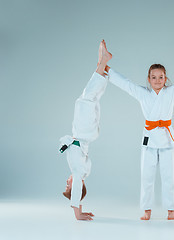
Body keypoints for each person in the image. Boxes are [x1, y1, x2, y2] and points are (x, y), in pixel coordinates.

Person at [101, 41, 174, 220]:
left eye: (161, 77)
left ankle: (171, 209)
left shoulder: (171, 92)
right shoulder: (143, 94)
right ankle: (147, 209)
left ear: (165, 78)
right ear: (148, 79)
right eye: (153, 77)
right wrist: (106, 70)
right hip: (149, 140)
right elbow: (126, 84)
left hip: (167, 140)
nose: (157, 81)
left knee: (169, 176)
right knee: (147, 176)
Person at [59, 40, 112, 220]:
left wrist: (81, 206)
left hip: (86, 133)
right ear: (78, 185)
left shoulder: (81, 171)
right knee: (86, 99)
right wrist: (78, 213)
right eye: (68, 186)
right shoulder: (79, 171)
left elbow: (78, 190)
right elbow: (76, 191)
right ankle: (103, 63)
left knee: (92, 99)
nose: (67, 182)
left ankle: (101, 66)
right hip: (84, 132)